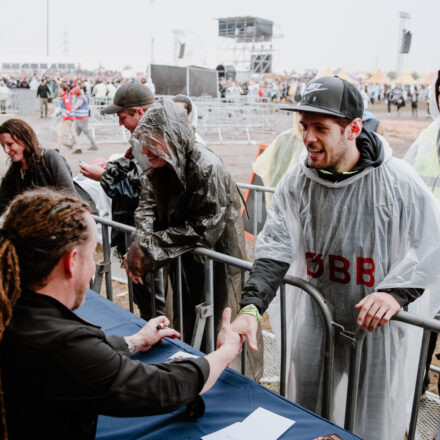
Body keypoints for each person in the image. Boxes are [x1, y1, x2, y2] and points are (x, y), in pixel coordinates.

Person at [221, 76, 440, 440]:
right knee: (305, 414)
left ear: (353, 128)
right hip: (318, 317)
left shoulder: (396, 180)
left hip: (377, 329)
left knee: (370, 425)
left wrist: (394, 294)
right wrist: (251, 307)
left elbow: (431, 243)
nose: (307, 138)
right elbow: (275, 245)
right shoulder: (298, 180)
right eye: (304, 126)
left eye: (320, 128)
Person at [0, 188, 243, 439]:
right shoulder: (60, 344)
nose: (94, 266)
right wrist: (226, 351)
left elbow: (81, 362)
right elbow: (164, 388)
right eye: (90, 255)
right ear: (71, 261)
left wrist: (136, 341)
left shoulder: (16, 309)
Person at [125, 100, 263, 380]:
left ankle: (230, 384)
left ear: (173, 138)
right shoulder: (162, 165)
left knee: (218, 327)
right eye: (143, 141)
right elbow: (147, 205)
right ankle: (192, 375)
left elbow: (204, 228)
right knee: (188, 323)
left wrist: (147, 248)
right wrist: (140, 244)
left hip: (218, 264)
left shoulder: (206, 167)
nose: (145, 149)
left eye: (152, 141)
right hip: (184, 259)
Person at [79, 83, 164, 320]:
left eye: (122, 116)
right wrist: (114, 166)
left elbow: (143, 190)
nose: (119, 123)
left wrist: (103, 176)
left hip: (148, 236)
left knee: (155, 301)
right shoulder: (143, 137)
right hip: (137, 233)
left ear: (140, 112)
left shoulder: (156, 139)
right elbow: (136, 174)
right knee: (145, 298)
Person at [0, 118, 76, 215]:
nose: (6, 150)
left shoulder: (51, 158)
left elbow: (70, 197)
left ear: (24, 139)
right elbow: (3, 202)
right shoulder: (14, 170)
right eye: (3, 146)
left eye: (10, 144)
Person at [65, 86, 98, 151]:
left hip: (82, 118)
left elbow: (76, 106)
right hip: (79, 118)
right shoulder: (79, 97)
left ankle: (94, 145)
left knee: (87, 132)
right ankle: (71, 144)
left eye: (74, 93)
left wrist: (68, 110)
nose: (73, 94)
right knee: (75, 132)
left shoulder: (81, 98)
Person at [55, 84, 81, 154]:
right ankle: (79, 147)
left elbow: (68, 109)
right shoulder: (66, 97)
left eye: (59, 88)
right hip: (70, 118)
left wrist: (63, 118)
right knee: (73, 133)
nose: (58, 89)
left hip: (67, 118)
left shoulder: (66, 98)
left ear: (62, 89)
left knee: (60, 133)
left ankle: (57, 148)